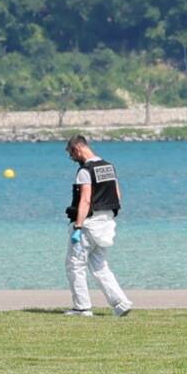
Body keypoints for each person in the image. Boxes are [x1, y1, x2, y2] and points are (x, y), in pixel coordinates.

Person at [64, 134, 133, 317]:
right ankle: (120, 302)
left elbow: (85, 200)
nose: (73, 159)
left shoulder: (85, 171)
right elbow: (117, 194)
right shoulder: (108, 167)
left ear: (77, 149)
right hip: (106, 222)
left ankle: (82, 307)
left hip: (88, 224)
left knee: (75, 265)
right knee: (100, 265)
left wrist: (78, 227)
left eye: (72, 155)